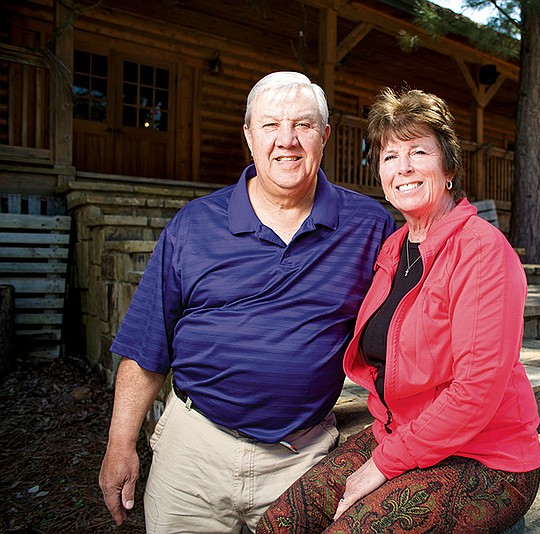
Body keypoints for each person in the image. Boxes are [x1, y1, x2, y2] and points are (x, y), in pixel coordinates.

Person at [98, 71, 396, 533]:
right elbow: (146, 347)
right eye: (270, 125)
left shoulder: (369, 227)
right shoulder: (194, 224)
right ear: (249, 136)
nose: (287, 140)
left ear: (326, 136)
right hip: (194, 455)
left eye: (303, 125)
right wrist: (120, 444)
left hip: (303, 462)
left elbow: (407, 331)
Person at [258, 88, 540, 533]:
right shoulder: (394, 247)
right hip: (401, 432)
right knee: (281, 523)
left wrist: (381, 466)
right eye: (390, 156)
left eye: (418, 152)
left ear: (448, 167)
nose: (403, 167)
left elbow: (475, 391)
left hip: (486, 458)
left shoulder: (481, 250)